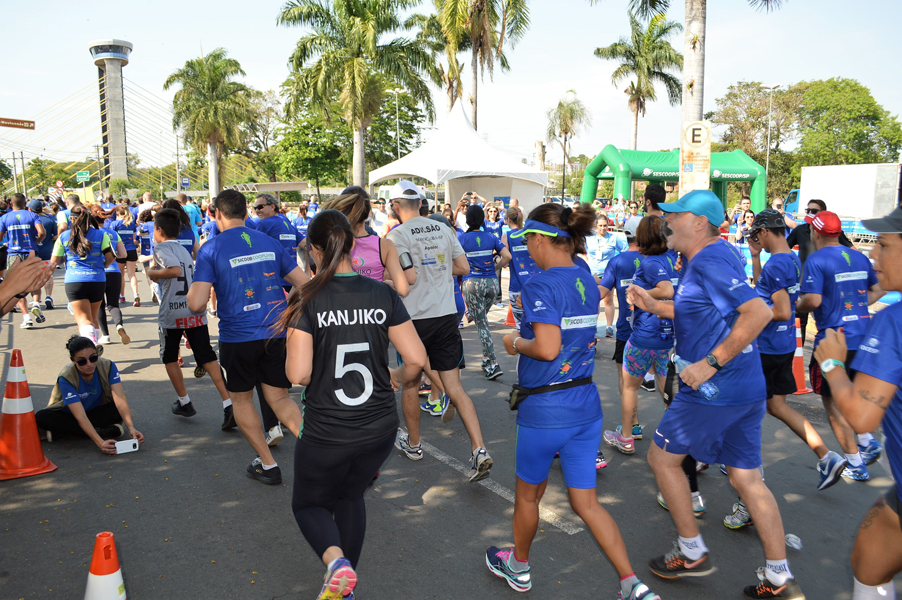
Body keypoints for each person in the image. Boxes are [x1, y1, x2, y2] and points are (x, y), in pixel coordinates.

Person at [629, 189, 804, 599]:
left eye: (675, 215)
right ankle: (779, 575)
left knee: (661, 458)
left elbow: (758, 312)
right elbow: (700, 308)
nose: (666, 221)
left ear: (699, 223)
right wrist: (656, 308)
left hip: (713, 388)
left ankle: (691, 551)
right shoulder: (711, 257)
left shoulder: (708, 258)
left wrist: (711, 362)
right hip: (742, 387)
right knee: (746, 478)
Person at [487, 203, 661, 600]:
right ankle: (632, 584)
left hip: (546, 409)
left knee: (528, 495)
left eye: (527, 240)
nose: (526, 248)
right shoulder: (582, 272)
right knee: (587, 502)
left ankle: (519, 566)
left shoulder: (540, 283)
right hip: (586, 406)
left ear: (537, 238)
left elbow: (546, 348)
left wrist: (513, 342)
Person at [279, 208, 425, 600]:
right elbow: (415, 361)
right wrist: (392, 379)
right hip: (378, 427)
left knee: (309, 505)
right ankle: (344, 587)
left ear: (314, 251)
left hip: (328, 430)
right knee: (350, 496)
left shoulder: (307, 298)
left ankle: (335, 564)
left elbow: (298, 374)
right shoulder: (382, 293)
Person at [187, 189, 309, 485]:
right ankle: (323, 452)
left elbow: (196, 304)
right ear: (246, 212)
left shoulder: (210, 248)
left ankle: (268, 465)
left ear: (216, 214)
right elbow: (304, 284)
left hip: (237, 338)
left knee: (241, 400)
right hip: (274, 334)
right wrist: (286, 307)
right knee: (279, 398)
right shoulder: (267, 241)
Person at [812, 206, 902, 600]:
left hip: (841, 340)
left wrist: (831, 362)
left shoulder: (895, 321)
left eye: (884, 245)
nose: (874, 256)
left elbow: (862, 417)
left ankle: (853, 458)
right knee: (870, 551)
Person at [386, 180, 494, 482]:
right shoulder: (445, 228)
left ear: (395, 206)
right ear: (421, 203)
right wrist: (437, 268)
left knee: (410, 383)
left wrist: (388, 282)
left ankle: (415, 444)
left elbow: (404, 280)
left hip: (413, 320)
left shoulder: (396, 236)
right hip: (447, 315)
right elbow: (462, 267)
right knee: (455, 388)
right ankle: (479, 448)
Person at [746, 209, 847, 492]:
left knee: (743, 413)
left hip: (765, 348)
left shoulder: (778, 264)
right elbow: (765, 291)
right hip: (784, 345)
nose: (757, 241)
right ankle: (826, 456)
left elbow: (779, 310)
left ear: (765, 231)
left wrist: (747, 310)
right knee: (776, 406)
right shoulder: (788, 258)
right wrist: (755, 258)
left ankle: (749, 486)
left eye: (757, 235)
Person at [796, 210, 884, 483]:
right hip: (862, 335)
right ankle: (867, 441)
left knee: (832, 402)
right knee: (851, 393)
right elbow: (879, 288)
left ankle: (856, 464)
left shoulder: (816, 260)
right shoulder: (858, 256)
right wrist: (858, 308)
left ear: (816, 233)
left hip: (833, 341)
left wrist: (794, 309)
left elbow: (812, 300)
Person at [147, 208, 234, 427]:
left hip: (172, 312)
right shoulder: (184, 249)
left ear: (158, 230)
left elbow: (174, 271)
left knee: (169, 356)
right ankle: (228, 403)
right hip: (193, 309)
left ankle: (184, 401)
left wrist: (152, 273)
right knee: (207, 356)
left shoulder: (161, 248)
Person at [603, 216, 676, 455]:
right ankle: (678, 442)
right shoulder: (672, 259)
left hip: (644, 337)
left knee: (629, 388)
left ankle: (626, 436)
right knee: (668, 394)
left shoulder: (651, 263)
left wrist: (637, 292)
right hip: (667, 337)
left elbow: (666, 289)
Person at [35, 335, 144, 452]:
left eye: (93, 358)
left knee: (117, 410)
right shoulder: (66, 377)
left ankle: (63, 433)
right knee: (41, 417)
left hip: (94, 412)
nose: (89, 364)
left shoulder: (108, 366)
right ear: (73, 361)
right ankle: (100, 431)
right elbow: (80, 415)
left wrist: (131, 428)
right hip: (71, 415)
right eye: (82, 361)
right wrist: (100, 442)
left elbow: (120, 400)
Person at [598, 216, 643, 437]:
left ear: (625, 235)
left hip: (626, 331)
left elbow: (601, 293)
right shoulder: (655, 260)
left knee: (626, 382)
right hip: (654, 332)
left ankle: (632, 425)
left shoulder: (617, 261)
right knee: (663, 381)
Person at [787, 199, 854, 343]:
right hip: (804, 285)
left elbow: (852, 250)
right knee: (800, 325)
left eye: (814, 211)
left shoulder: (833, 232)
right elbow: (784, 250)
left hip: (828, 286)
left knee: (828, 325)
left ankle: (828, 353)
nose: (810, 213)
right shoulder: (800, 230)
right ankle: (800, 357)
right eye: (808, 210)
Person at [324, 186, 409, 296]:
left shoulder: (332, 242)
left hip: (340, 306)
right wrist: (385, 284)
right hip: (374, 307)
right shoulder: (385, 245)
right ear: (369, 212)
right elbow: (403, 290)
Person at [458, 204, 511, 379]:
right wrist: (495, 268)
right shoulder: (491, 236)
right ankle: (487, 360)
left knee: (482, 325)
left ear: (467, 219)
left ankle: (493, 364)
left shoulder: (462, 239)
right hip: (491, 283)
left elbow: (455, 262)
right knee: (483, 320)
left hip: (472, 283)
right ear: (482, 219)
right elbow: (508, 256)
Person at [49, 206, 114, 345]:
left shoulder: (64, 236)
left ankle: (91, 345)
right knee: (93, 318)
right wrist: (104, 265)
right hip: (97, 279)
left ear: (71, 219)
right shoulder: (101, 234)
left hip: (75, 280)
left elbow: (54, 260)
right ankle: (94, 353)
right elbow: (111, 257)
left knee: (83, 319)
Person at [0, 193, 46, 328]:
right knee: (36, 280)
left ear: (11, 204)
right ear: (25, 203)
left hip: (14, 254)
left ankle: (26, 317)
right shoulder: (32, 215)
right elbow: (41, 232)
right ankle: (36, 303)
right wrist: (38, 240)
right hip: (31, 252)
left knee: (17, 286)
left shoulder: (5, 218)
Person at [585, 216, 628, 338]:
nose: (603, 228)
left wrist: (617, 264)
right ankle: (593, 325)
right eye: (600, 226)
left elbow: (624, 250)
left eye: (605, 226)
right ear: (596, 226)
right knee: (594, 300)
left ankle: (609, 327)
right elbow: (583, 252)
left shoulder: (614, 238)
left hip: (608, 274)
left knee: (608, 300)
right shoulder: (589, 238)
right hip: (592, 273)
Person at [96, 216, 130, 345]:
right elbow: (123, 254)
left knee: (100, 305)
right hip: (114, 271)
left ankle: (105, 335)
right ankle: (119, 325)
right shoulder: (113, 233)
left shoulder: (94, 234)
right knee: (113, 304)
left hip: (99, 271)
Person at [502, 207, 538, 329]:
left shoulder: (507, 236)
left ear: (508, 220)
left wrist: (496, 263)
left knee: (520, 325)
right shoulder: (529, 235)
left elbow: (506, 261)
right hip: (533, 285)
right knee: (535, 323)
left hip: (516, 285)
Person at [28, 199, 57, 310]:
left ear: (30, 209)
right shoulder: (50, 219)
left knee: (35, 276)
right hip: (47, 251)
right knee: (48, 274)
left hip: (33, 252)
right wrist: (48, 238)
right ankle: (48, 296)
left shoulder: (29, 220)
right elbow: (56, 235)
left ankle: (36, 299)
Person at [110, 205, 139, 305]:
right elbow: (134, 238)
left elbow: (112, 238)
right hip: (131, 250)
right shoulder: (132, 224)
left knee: (121, 275)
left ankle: (122, 296)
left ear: (118, 213)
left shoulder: (114, 224)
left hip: (120, 251)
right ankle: (136, 295)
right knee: (132, 275)